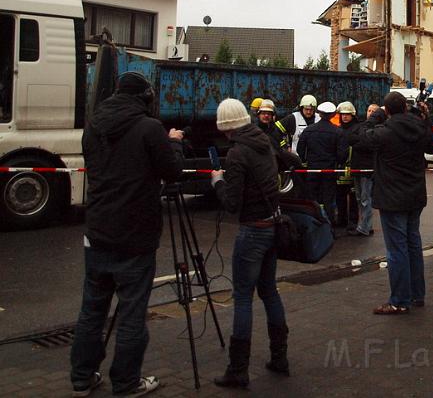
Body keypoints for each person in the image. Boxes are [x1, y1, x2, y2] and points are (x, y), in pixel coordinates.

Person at [71, 72, 184, 397]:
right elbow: (172, 173)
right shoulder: (149, 128)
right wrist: (174, 143)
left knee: (91, 310)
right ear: (144, 98)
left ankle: (81, 377)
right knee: (132, 313)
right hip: (135, 237)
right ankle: (126, 382)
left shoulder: (93, 127)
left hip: (97, 231)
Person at [210, 98, 289, 388]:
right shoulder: (264, 143)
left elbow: (232, 203)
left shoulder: (237, 154)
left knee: (243, 297)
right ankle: (280, 357)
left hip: (252, 230)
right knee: (269, 292)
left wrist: (218, 181)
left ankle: (238, 369)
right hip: (272, 225)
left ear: (227, 127)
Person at [350, 91, 433, 314]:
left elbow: (357, 136)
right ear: (406, 109)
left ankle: (399, 300)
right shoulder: (419, 127)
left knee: (397, 249)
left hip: (391, 197)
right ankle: (417, 294)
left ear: (387, 110)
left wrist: (373, 117)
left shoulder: (385, 132)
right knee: (413, 245)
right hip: (415, 195)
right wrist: (427, 119)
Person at [297, 101, 347, 227]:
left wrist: (305, 161)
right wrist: (337, 163)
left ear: (319, 113)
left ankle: (311, 225)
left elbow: (300, 150)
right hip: (329, 171)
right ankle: (329, 227)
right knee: (328, 200)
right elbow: (342, 155)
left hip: (312, 170)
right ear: (332, 115)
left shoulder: (309, 130)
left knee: (311, 199)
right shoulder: (338, 132)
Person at [350, 104, 382, 236]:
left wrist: (360, 143)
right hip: (357, 167)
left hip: (368, 169)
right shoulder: (361, 126)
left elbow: (368, 145)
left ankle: (365, 227)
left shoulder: (378, 129)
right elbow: (351, 139)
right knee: (359, 198)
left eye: (373, 111)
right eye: (369, 110)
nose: (370, 113)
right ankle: (364, 225)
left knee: (365, 199)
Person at [335, 101, 360, 233]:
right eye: (343, 114)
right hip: (340, 168)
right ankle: (341, 219)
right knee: (340, 196)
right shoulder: (338, 130)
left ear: (352, 115)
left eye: (347, 115)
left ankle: (353, 221)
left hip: (353, 168)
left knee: (354, 198)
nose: (344, 117)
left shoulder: (357, 129)